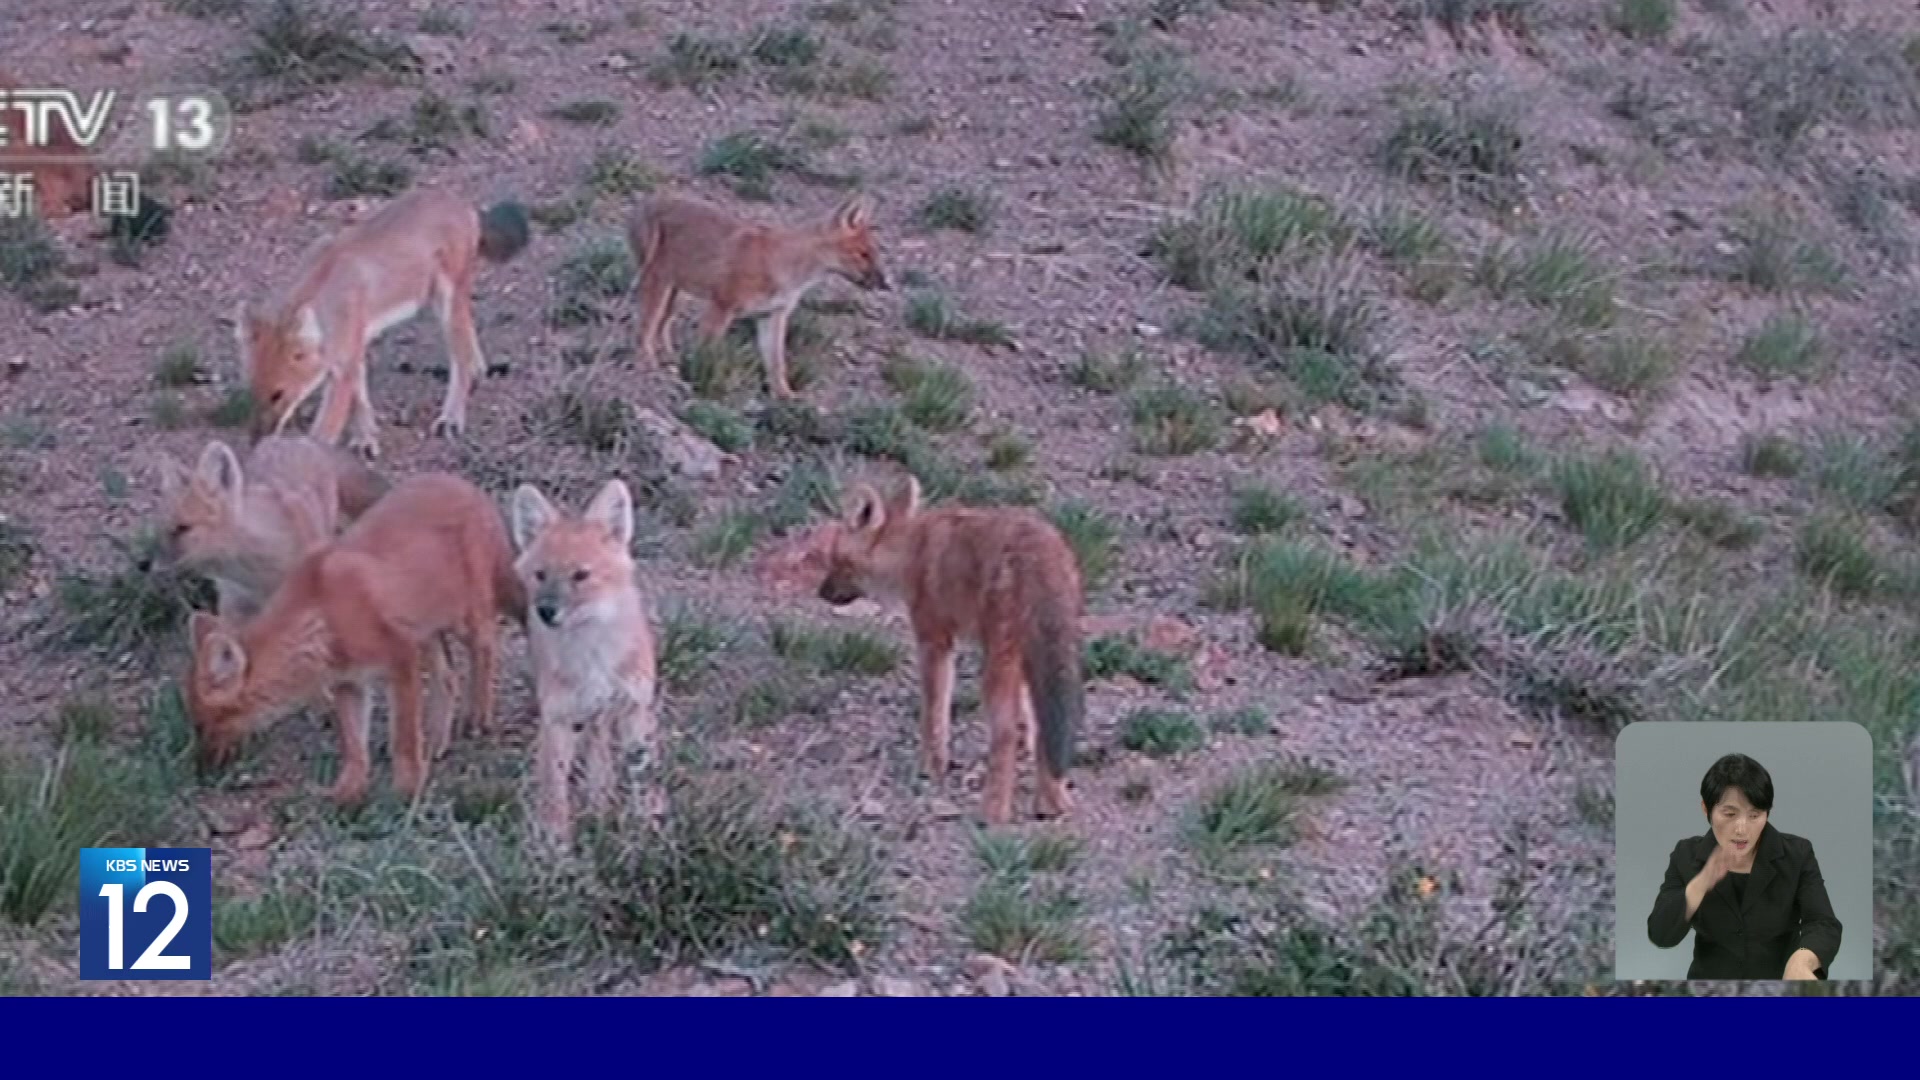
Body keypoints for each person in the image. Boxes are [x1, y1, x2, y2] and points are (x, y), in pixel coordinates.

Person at [1646, 753, 1842, 980]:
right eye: (1729, 814)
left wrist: (1803, 958)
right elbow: (1660, 935)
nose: (1742, 829)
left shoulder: (1797, 854)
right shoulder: (1686, 855)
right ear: (1705, 809)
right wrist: (1700, 884)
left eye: (1754, 815)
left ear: (1767, 812)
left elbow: (1824, 923)